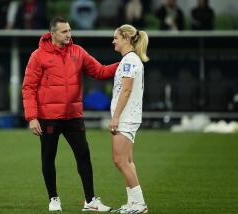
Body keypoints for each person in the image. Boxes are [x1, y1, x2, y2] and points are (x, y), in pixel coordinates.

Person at [22, 17, 118, 212]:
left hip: (73, 116)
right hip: (48, 117)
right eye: (65, 31)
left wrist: (125, 64)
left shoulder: (78, 52)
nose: (69, 34)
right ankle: (53, 199)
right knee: (48, 158)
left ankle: (90, 201)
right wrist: (32, 117)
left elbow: (100, 71)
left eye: (69, 30)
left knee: (84, 156)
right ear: (53, 33)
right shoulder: (38, 56)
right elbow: (28, 88)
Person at [109, 24, 149, 213]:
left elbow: (126, 90)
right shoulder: (131, 60)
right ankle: (133, 203)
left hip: (126, 117)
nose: (113, 41)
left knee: (120, 160)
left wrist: (115, 117)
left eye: (116, 37)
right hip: (129, 116)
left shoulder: (129, 61)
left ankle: (139, 204)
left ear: (126, 38)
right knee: (127, 160)